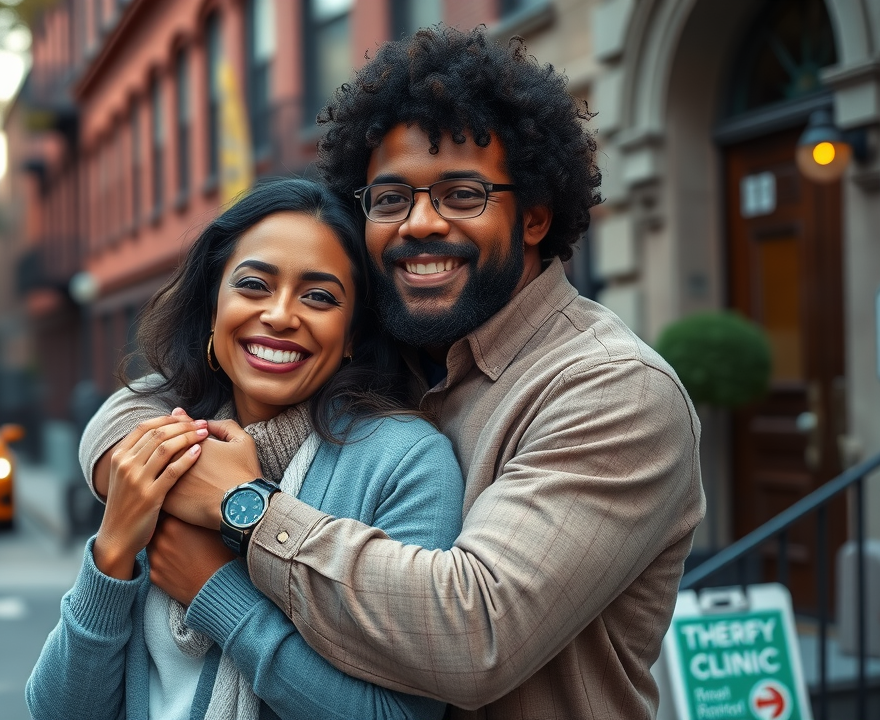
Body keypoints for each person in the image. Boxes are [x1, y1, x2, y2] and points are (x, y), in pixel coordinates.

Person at [80, 26, 706, 720]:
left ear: (533, 217)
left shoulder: (613, 389)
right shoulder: (399, 342)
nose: (419, 224)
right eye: (389, 199)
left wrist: (246, 508)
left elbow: (477, 634)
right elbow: (142, 405)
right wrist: (142, 464)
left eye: (462, 195)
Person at [26, 178, 465, 720]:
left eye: (320, 296)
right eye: (255, 285)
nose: (281, 315)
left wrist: (218, 591)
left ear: (352, 333)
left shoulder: (406, 463)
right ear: (215, 304)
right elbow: (59, 711)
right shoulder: (165, 449)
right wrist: (112, 553)